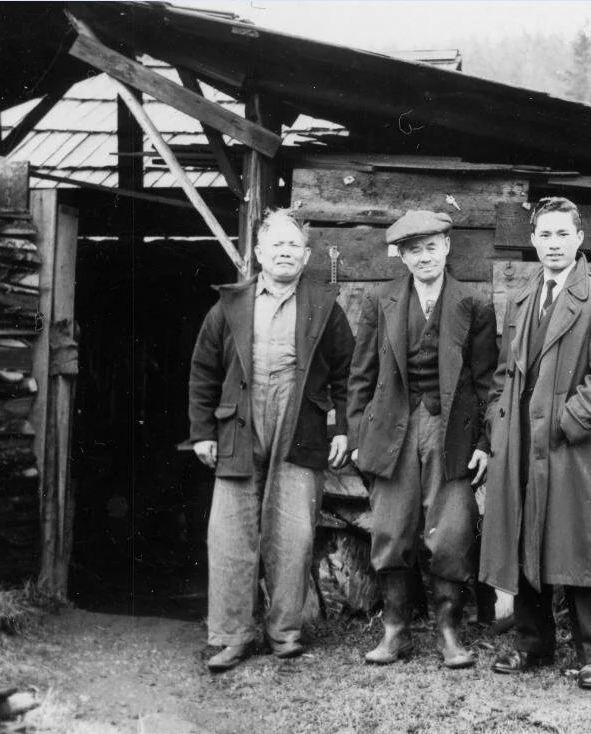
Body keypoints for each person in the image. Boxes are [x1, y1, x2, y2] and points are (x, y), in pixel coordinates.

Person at [188, 209, 354, 672]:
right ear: (259, 253)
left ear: (305, 256)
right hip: (239, 426)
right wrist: (202, 432)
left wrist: (343, 429)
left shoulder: (325, 305)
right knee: (229, 533)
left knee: (293, 533)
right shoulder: (230, 304)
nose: (284, 252)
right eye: (275, 245)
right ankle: (230, 636)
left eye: (293, 246)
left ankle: (284, 632)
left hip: (299, 425)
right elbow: (203, 372)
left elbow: (348, 373)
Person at [480, 197, 591, 690]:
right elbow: (505, 371)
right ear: (533, 241)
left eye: (562, 234)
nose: (553, 244)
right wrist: (497, 422)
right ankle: (532, 643)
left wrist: (569, 422)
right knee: (527, 534)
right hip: (522, 440)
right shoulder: (524, 296)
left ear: (579, 239)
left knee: (581, 540)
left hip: (572, 444)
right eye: (544, 235)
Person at [347, 210, 498, 669]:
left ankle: (449, 632)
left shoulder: (474, 304)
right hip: (392, 428)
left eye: (432, 247)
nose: (424, 257)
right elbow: (361, 374)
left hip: (452, 431)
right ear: (402, 256)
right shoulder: (382, 301)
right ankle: (395, 631)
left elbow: (489, 381)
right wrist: (357, 435)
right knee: (391, 527)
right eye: (414, 250)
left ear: (447, 248)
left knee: (451, 530)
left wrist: (485, 443)